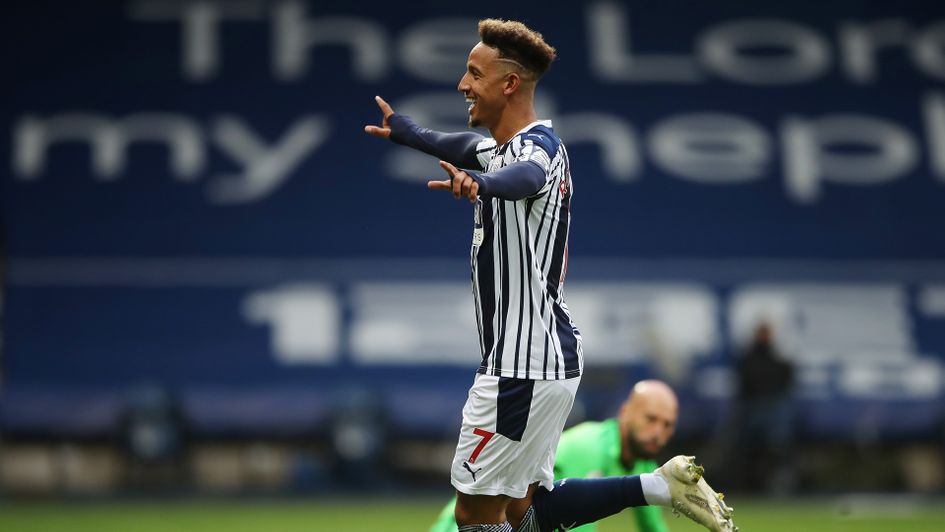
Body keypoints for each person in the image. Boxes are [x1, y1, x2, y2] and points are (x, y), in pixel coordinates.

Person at [365, 18, 735, 532]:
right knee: (525, 510)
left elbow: (526, 178)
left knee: (475, 512)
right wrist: (409, 134)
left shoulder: (538, 149)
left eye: (474, 73)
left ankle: (657, 487)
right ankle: (657, 486)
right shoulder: (500, 149)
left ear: (509, 83)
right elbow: (456, 144)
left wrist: (481, 184)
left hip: (520, 363)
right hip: (545, 358)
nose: (462, 85)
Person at [430, 380, 680, 532]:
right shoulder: (589, 446)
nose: (657, 432)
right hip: (473, 522)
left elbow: (653, 526)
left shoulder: (643, 461)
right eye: (651, 419)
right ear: (625, 412)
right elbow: (576, 524)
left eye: (667, 425)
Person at [734, 320, 795, 493]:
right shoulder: (750, 358)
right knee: (751, 446)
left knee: (777, 442)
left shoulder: (775, 357)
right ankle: (750, 482)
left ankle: (779, 480)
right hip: (754, 408)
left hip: (770, 408)